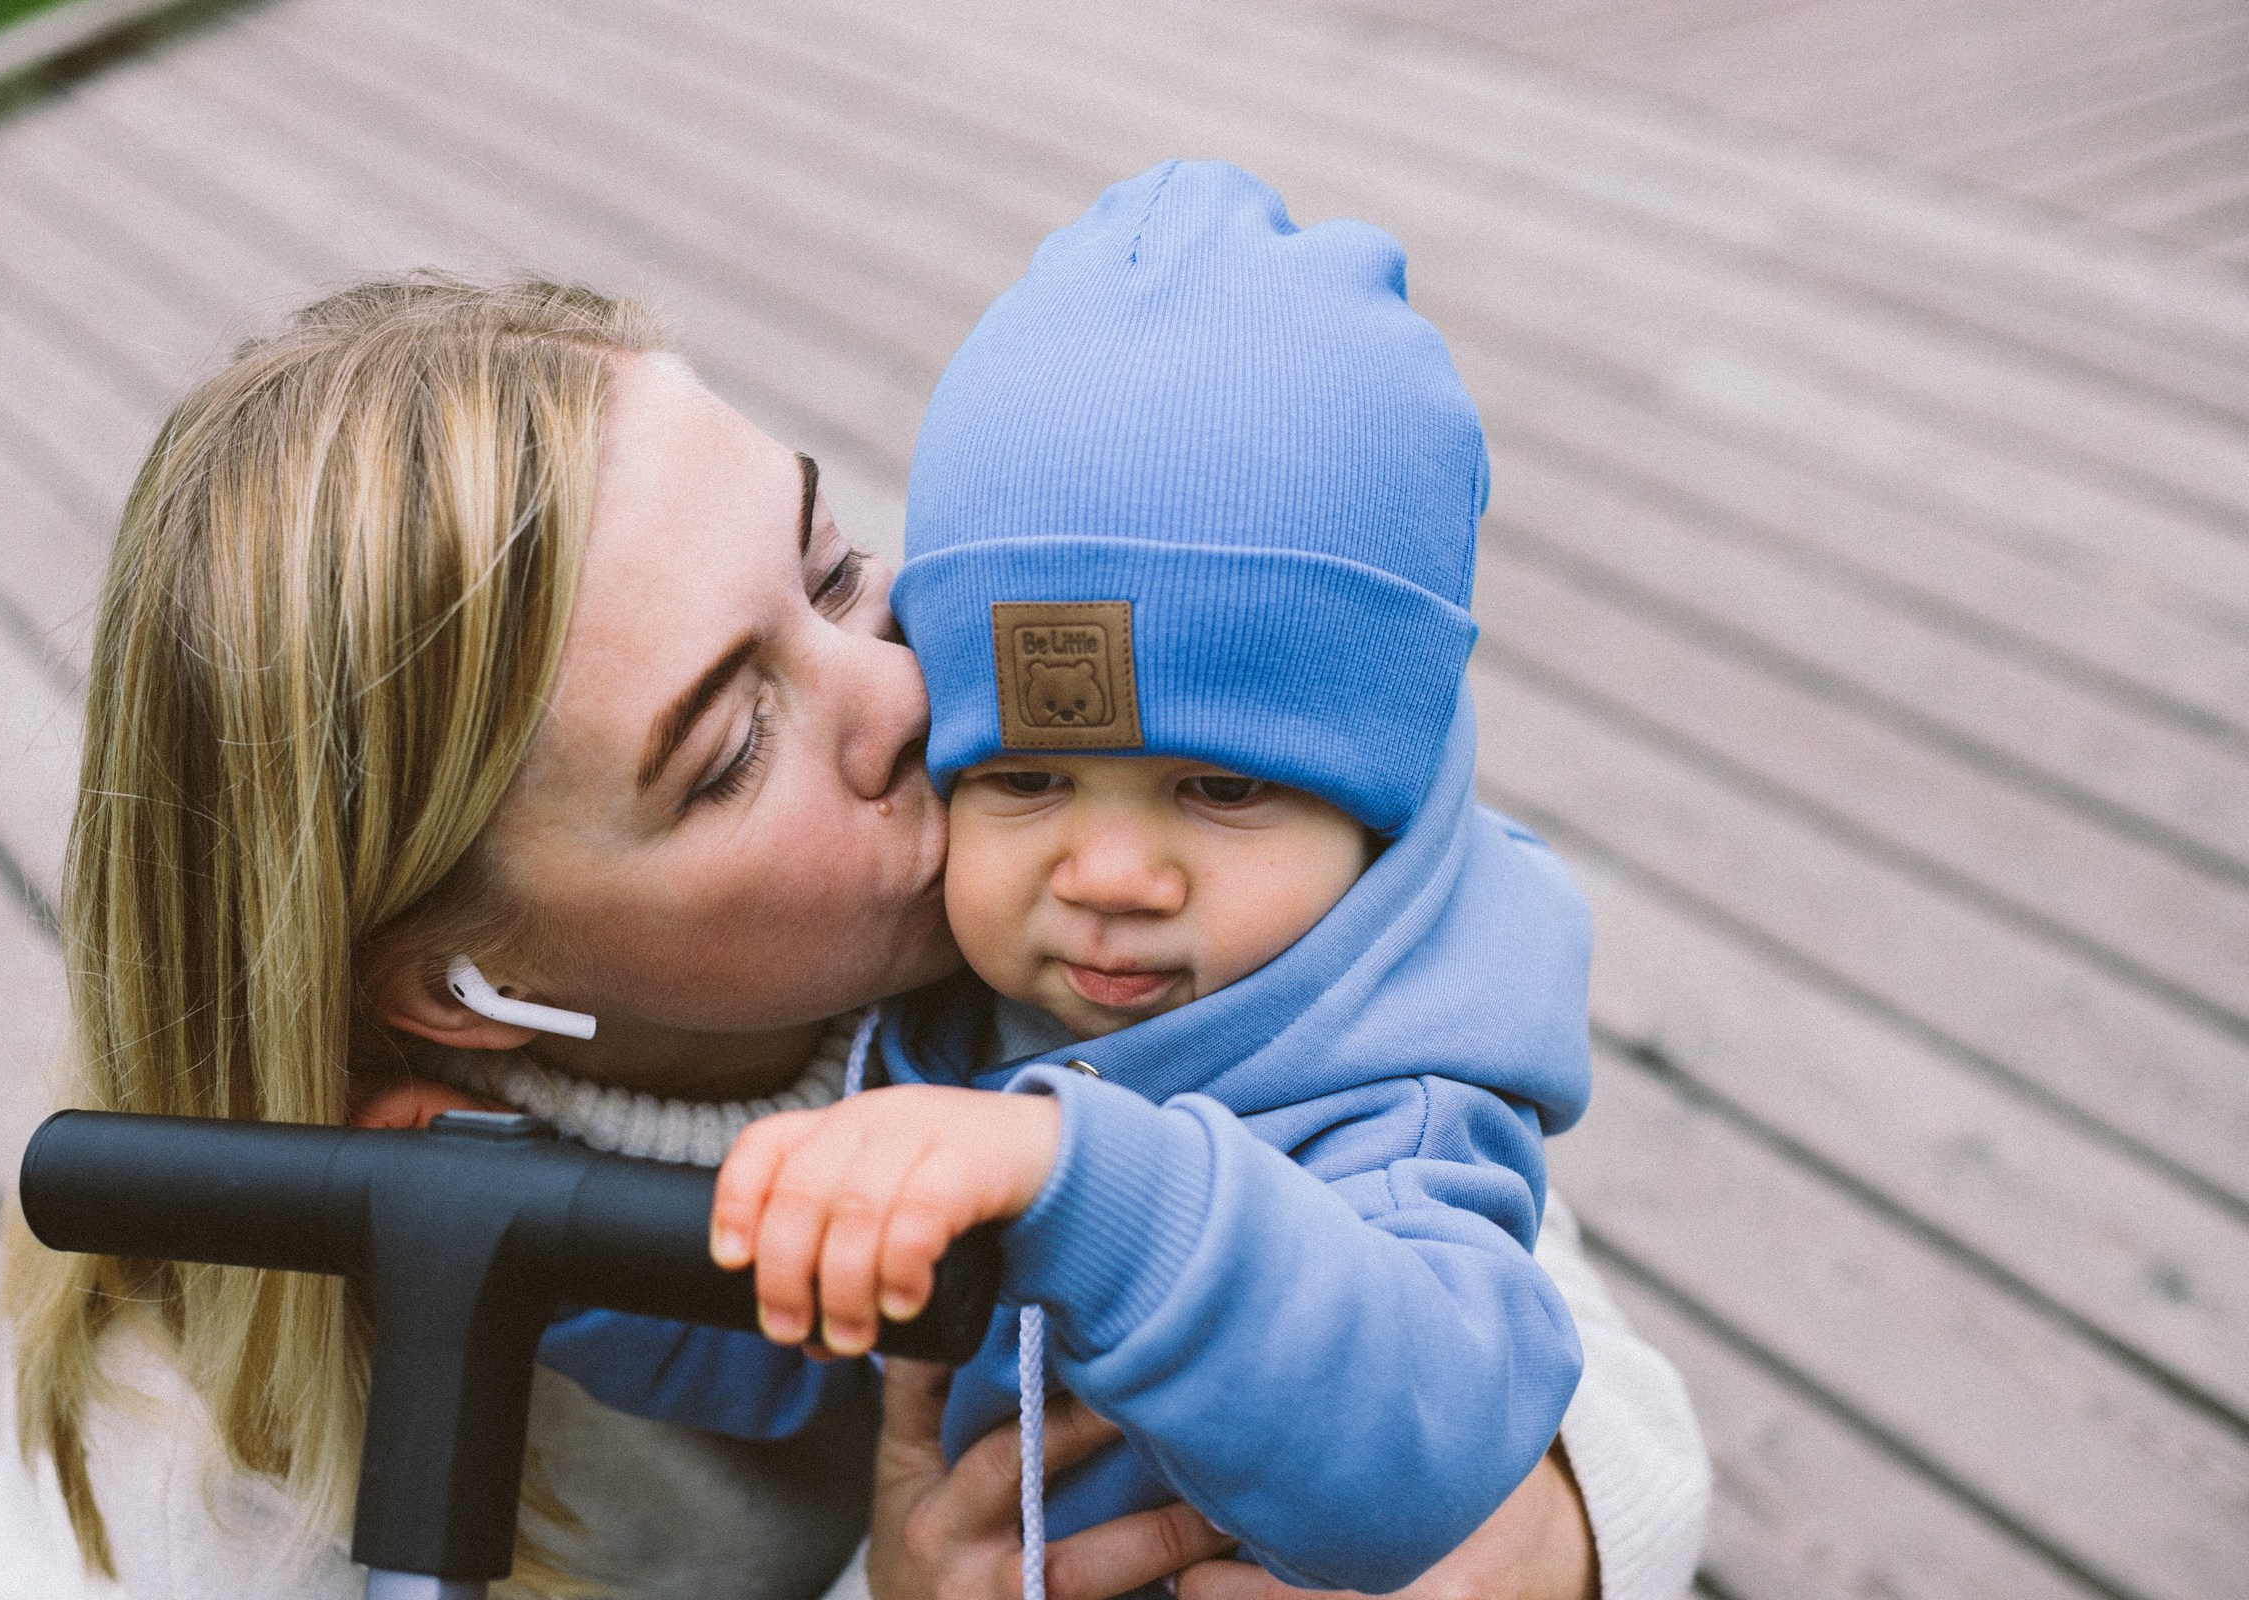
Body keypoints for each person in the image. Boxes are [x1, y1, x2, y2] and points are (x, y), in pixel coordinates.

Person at [0, 274, 1705, 1600]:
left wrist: (1546, 1535)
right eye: (731, 746)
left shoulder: (1062, 903)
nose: (915, 694)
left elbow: (1523, 1296)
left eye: (835, 565)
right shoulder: (215, 1465)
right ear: (457, 990)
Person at [584, 160, 1595, 1597]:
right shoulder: (955, 1035)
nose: (1110, 876)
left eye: (1223, 788)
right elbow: (801, 1348)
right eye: (1028, 780)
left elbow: (1427, 1453)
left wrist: (1092, 1189)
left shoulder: (1394, 1097)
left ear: (1374, 799)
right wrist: (553, 1260)